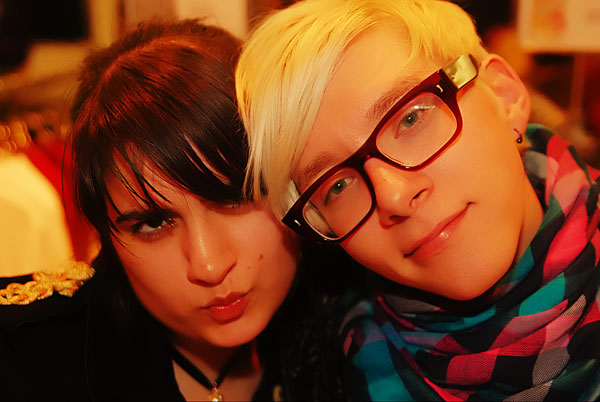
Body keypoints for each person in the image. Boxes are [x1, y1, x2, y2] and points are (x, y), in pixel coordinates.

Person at [235, 0, 600, 400]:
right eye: (336, 186)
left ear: (504, 95)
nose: (393, 196)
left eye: (410, 118)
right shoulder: (330, 372)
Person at [0, 19, 350, 401]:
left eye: (234, 197)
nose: (209, 265)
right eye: (153, 224)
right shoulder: (24, 358)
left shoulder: (361, 317)